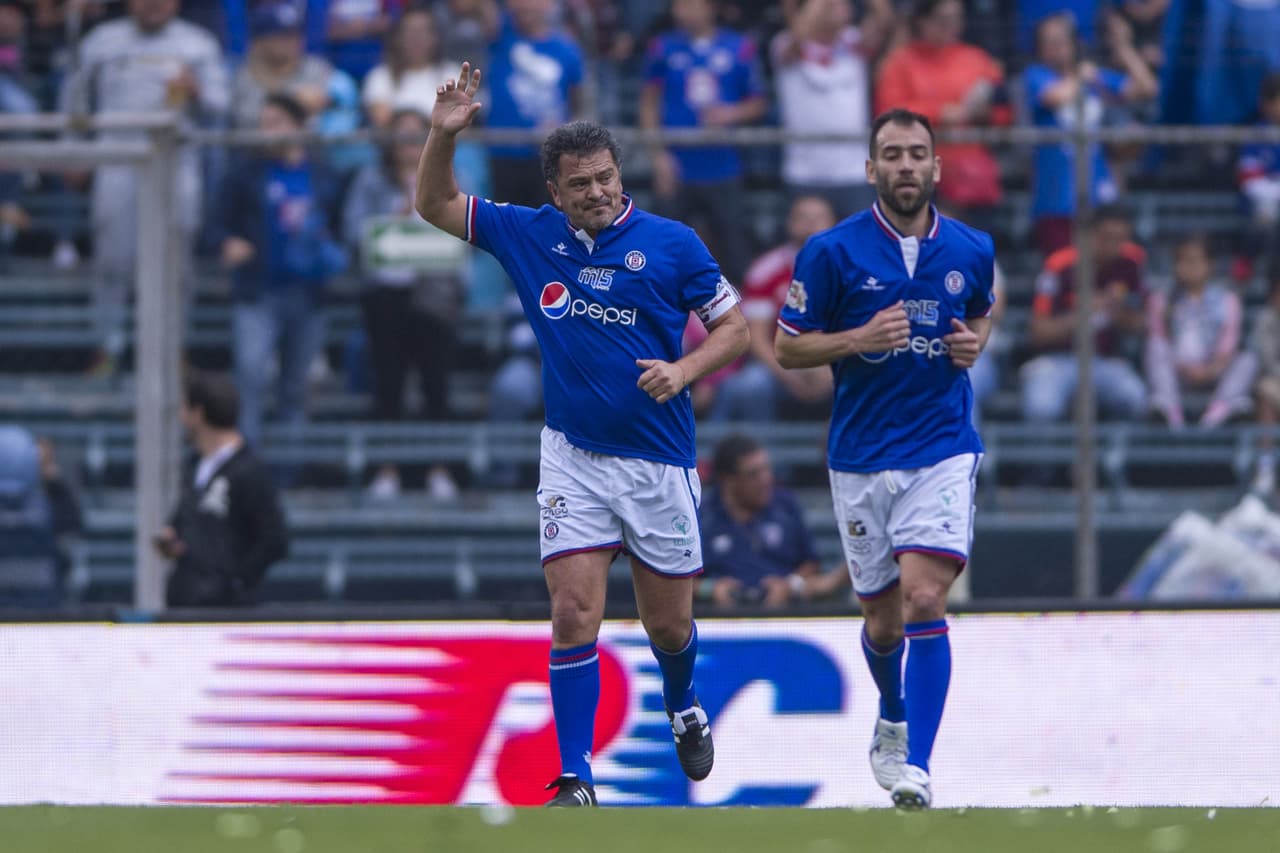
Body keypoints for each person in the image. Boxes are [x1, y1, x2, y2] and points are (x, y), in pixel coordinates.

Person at [415, 63, 750, 806]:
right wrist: (441, 135)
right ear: (554, 191)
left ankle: (682, 700)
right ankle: (576, 777)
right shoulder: (528, 234)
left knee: (669, 628)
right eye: (580, 183)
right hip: (572, 455)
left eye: (605, 176)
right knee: (572, 612)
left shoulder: (672, 244)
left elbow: (736, 329)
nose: (597, 191)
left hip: (658, 460)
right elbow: (433, 202)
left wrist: (684, 367)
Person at [775, 108, 996, 809]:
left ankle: (917, 766)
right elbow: (787, 346)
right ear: (871, 170)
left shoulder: (971, 247)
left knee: (926, 595)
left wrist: (976, 343)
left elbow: (983, 307)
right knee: (882, 620)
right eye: (892, 155)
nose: (906, 165)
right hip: (861, 455)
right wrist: (857, 336)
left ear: (936, 167)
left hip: (940, 446)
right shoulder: (831, 252)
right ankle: (893, 711)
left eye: (917, 154)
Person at [59, 0, 229, 375]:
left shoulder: (199, 43)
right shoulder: (101, 41)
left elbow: (221, 105)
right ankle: (106, 347)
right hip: (116, 160)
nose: (153, 4)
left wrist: (196, 90)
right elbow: (75, 101)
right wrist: (73, 150)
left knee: (177, 263)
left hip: (175, 162)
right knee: (112, 260)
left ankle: (173, 349)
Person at [342, 107, 463, 500]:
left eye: (416, 136)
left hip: (436, 293)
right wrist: (393, 221)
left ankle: (438, 469)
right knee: (388, 384)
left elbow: (467, 226)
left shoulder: (452, 177)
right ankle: (387, 469)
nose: (408, 146)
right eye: (401, 136)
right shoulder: (370, 181)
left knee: (436, 384)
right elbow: (354, 230)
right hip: (385, 295)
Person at [216, 92, 348, 447]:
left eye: (275, 123)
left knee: (297, 385)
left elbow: (340, 226)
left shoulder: (324, 175)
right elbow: (216, 227)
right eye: (263, 124)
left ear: (299, 127)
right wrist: (228, 242)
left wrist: (331, 251)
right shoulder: (244, 174)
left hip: (309, 294)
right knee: (251, 373)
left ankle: (290, 467)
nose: (266, 132)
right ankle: (246, 458)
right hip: (259, 291)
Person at [639, 0, 767, 286]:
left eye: (694, 5)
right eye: (680, 5)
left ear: (711, 8)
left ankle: (742, 319)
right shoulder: (662, 47)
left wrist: (731, 113)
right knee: (662, 249)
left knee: (733, 247)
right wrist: (657, 156)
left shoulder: (739, 47)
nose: (686, 11)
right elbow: (649, 103)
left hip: (724, 165)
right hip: (677, 165)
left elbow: (759, 102)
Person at [1023, 11, 1156, 255]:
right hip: (1057, 197)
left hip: (1100, 193)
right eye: (1049, 43)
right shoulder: (1036, 75)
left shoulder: (1093, 76)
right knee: (1064, 270)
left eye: (1061, 41)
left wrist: (1123, 47)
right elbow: (1055, 96)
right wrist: (1082, 76)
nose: (1057, 48)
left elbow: (1146, 87)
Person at [156, 371, 290, 607]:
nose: (180, 416)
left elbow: (275, 539)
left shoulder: (249, 471)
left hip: (225, 613)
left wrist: (236, 582)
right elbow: (189, 520)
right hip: (184, 605)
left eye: (184, 408)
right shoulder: (194, 464)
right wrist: (173, 538)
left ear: (198, 413)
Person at [874, 0, 1006, 223]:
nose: (951, 26)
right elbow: (887, 110)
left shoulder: (976, 59)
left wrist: (987, 113)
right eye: (943, 19)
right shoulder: (901, 62)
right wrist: (939, 113)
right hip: (918, 174)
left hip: (971, 176)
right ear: (923, 22)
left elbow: (1003, 112)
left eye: (956, 18)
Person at [1021, 203, 1149, 425]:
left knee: (1134, 397)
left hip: (1106, 360)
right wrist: (1084, 312)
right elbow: (1038, 332)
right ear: (1090, 234)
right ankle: (1048, 460)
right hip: (1059, 360)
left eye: (1120, 239)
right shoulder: (1060, 264)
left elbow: (1143, 324)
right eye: (1106, 237)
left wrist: (1116, 312)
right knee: (1041, 407)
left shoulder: (1131, 263)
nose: (1113, 245)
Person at [771, 0, 891, 219]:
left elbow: (883, 21)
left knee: (859, 246)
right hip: (804, 172)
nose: (840, 7)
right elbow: (798, 36)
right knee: (810, 249)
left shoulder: (854, 42)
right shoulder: (784, 43)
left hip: (853, 171)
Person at [699, 433, 849, 608]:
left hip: (784, 614)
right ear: (727, 479)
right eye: (753, 473)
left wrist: (789, 584)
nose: (766, 479)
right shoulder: (703, 515)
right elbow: (683, 575)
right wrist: (710, 589)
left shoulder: (785, 505)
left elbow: (811, 563)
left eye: (767, 469)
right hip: (716, 617)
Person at [1146, 234, 1258, 429]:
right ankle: (1170, 412)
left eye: (1195, 260)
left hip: (1214, 372)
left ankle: (1218, 412)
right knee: (1155, 347)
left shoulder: (1227, 300)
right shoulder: (1162, 300)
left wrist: (1209, 370)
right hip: (1177, 373)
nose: (1189, 267)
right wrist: (1183, 367)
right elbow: (1161, 339)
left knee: (1248, 359)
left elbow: (1228, 346)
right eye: (1183, 260)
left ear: (1210, 265)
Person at [1252, 263, 1280, 497]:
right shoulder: (1266, 320)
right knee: (1264, 391)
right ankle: (1265, 467)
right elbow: (1268, 362)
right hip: (1277, 381)